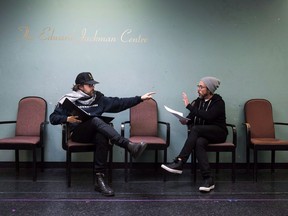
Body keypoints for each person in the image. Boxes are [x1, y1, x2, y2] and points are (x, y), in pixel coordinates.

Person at [49, 72, 155, 197]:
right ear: (80, 86)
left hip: (95, 132)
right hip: (78, 134)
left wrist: (140, 99)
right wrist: (67, 119)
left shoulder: (98, 98)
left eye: (93, 84)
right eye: (89, 85)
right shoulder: (67, 100)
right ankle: (128, 145)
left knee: (102, 135)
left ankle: (100, 180)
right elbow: (53, 118)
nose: (93, 87)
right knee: (95, 120)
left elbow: (119, 103)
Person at [161, 76, 227, 192]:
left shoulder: (219, 102)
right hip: (204, 135)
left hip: (218, 133)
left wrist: (189, 106)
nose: (198, 89)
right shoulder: (197, 102)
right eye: (198, 86)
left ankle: (180, 161)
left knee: (195, 129)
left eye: (201, 87)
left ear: (209, 89)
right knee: (199, 142)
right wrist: (184, 120)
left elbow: (208, 116)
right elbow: (191, 117)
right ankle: (208, 179)